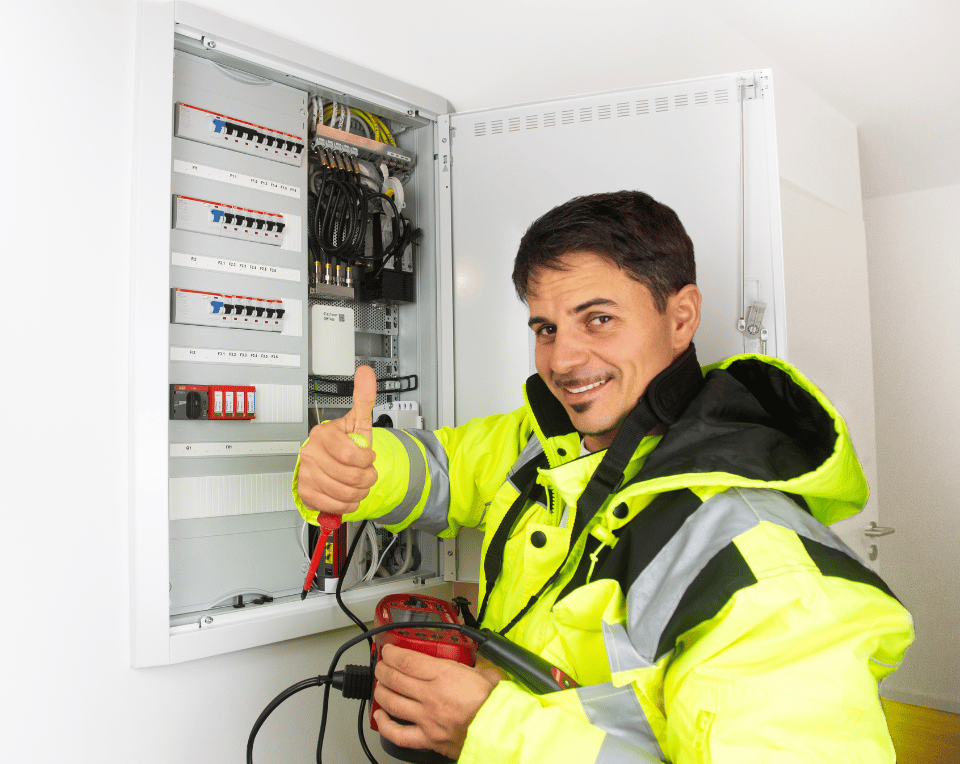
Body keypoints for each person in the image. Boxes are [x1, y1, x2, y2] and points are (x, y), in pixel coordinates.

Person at [293, 191, 913, 764]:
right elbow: (444, 469)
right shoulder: (548, 439)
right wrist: (354, 468)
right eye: (546, 328)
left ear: (681, 317)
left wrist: (489, 731)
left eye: (598, 319)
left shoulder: (772, 579)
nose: (562, 360)